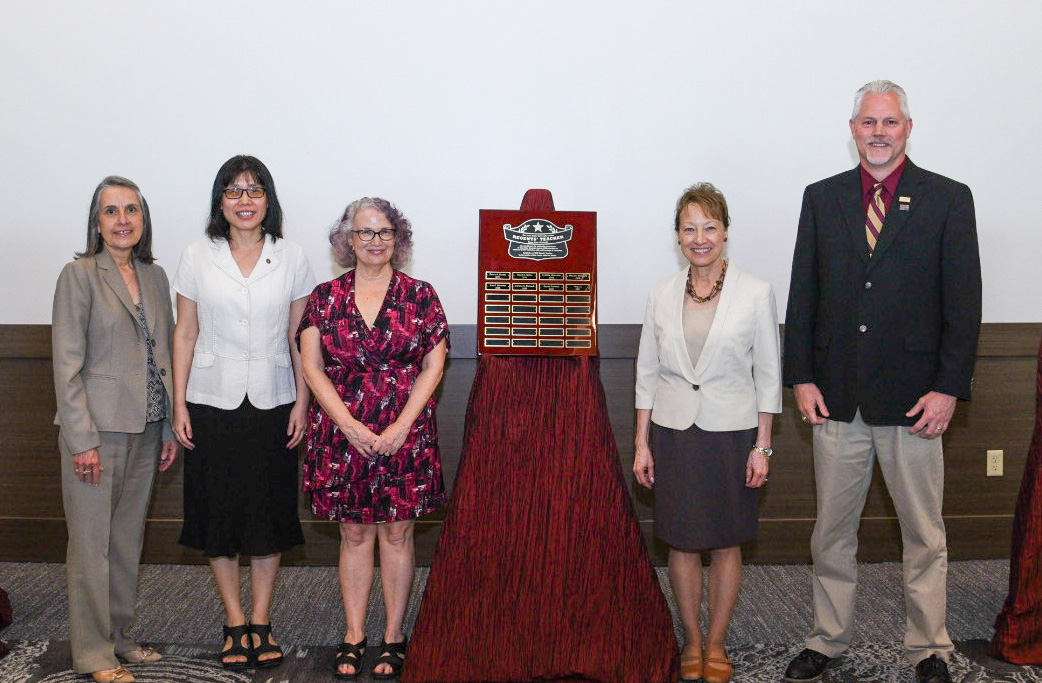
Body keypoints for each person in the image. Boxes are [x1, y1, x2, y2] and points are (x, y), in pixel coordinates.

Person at [782, 80, 981, 683]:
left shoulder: (947, 198)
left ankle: (928, 649)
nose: (878, 132)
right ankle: (827, 639)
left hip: (917, 401)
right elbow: (804, 292)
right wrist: (801, 377)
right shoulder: (823, 198)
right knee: (830, 534)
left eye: (889, 122)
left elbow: (963, 302)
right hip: (837, 399)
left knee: (924, 536)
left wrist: (949, 387)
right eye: (867, 122)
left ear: (908, 128)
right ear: (853, 129)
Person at [634, 183, 782, 683]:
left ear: (725, 233)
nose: (700, 238)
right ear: (678, 236)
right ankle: (691, 642)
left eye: (710, 227)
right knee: (679, 541)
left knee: (725, 541)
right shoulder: (660, 293)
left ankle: (716, 644)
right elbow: (646, 373)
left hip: (732, 432)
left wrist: (763, 445)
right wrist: (641, 443)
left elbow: (768, 375)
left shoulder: (756, 292)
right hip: (674, 432)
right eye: (689, 228)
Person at [172, 155, 316, 670]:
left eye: (255, 191)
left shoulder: (293, 256)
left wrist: (303, 399)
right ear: (220, 202)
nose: (245, 200)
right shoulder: (196, 254)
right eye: (233, 191)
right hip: (211, 400)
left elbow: (303, 339)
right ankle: (233, 621)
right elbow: (185, 332)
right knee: (220, 511)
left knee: (268, 511)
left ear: (269, 200)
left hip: (275, 401)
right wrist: (179, 403)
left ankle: (261, 620)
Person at [297, 197, 448, 680]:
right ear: (348, 239)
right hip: (342, 434)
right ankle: (355, 634)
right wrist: (348, 425)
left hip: (406, 430)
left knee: (399, 533)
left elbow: (434, 363)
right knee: (355, 533)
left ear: (397, 239)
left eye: (384, 232)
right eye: (365, 232)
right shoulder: (324, 296)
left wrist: (402, 424)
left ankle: (394, 636)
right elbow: (312, 366)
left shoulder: (421, 294)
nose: (375, 241)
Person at [52, 176, 178, 683]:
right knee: (91, 545)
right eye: (111, 211)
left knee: (126, 541)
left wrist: (168, 426)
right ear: (96, 221)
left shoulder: (155, 276)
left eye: (132, 210)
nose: (122, 220)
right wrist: (81, 439)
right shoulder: (78, 275)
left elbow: (163, 357)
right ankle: (92, 653)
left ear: (143, 220)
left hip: (147, 429)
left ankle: (119, 638)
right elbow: (66, 365)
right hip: (96, 434)